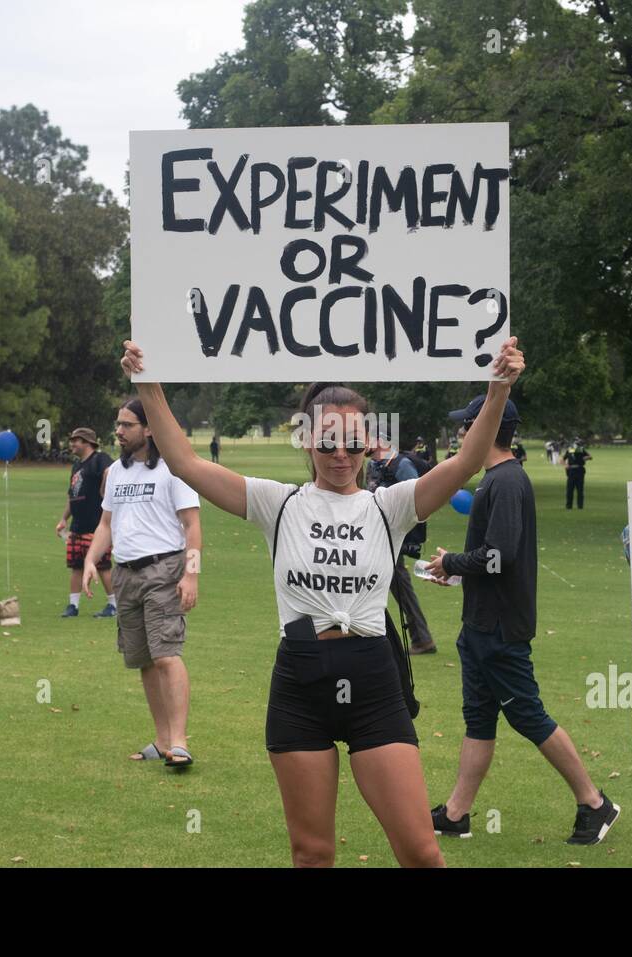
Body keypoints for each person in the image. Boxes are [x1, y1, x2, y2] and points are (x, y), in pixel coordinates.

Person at [120, 335, 526, 868]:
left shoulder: (392, 505)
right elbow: (186, 462)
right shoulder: (276, 503)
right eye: (328, 441)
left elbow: (469, 460)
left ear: (370, 445)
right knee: (312, 853)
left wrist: (498, 386)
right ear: (307, 441)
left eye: (354, 444)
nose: (341, 455)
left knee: (421, 851)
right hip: (300, 681)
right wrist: (148, 385)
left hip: (374, 679)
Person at [426, 394, 620, 846]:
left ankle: (595, 803)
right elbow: (493, 559)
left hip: (499, 629)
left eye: (465, 427)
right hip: (479, 625)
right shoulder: (494, 479)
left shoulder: (508, 482)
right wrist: (453, 570)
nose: (459, 435)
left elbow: (499, 556)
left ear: (485, 428)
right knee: (478, 719)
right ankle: (456, 813)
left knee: (528, 716)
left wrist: (452, 562)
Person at [83, 398, 202, 769]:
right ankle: (162, 740)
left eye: (127, 425)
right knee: (144, 661)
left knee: (167, 655)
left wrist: (191, 574)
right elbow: (106, 524)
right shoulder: (116, 472)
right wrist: (91, 559)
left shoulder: (173, 470)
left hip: (163, 570)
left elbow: (192, 526)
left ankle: (180, 743)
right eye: (117, 424)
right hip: (125, 574)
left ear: (149, 429)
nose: (118, 431)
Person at [367, 426, 437, 655]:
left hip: (392, 538)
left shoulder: (402, 465)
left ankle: (421, 638)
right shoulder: (373, 466)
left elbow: (419, 496)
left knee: (400, 586)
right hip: (374, 536)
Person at [57, 427, 116, 618]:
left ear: (87, 442)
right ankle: (73, 606)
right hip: (77, 526)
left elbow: (111, 471)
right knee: (76, 566)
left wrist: (103, 488)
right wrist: (64, 519)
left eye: (76, 440)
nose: (72, 444)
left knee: (103, 565)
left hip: (96, 525)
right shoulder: (77, 466)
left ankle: (113, 604)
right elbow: (71, 495)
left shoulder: (99, 459)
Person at [562, 440, 592, 509]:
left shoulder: (579, 450)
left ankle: (577, 506)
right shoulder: (575, 450)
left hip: (578, 470)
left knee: (578, 490)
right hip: (573, 471)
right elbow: (563, 459)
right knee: (572, 489)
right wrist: (565, 465)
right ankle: (572, 506)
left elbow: (590, 457)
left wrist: (585, 458)